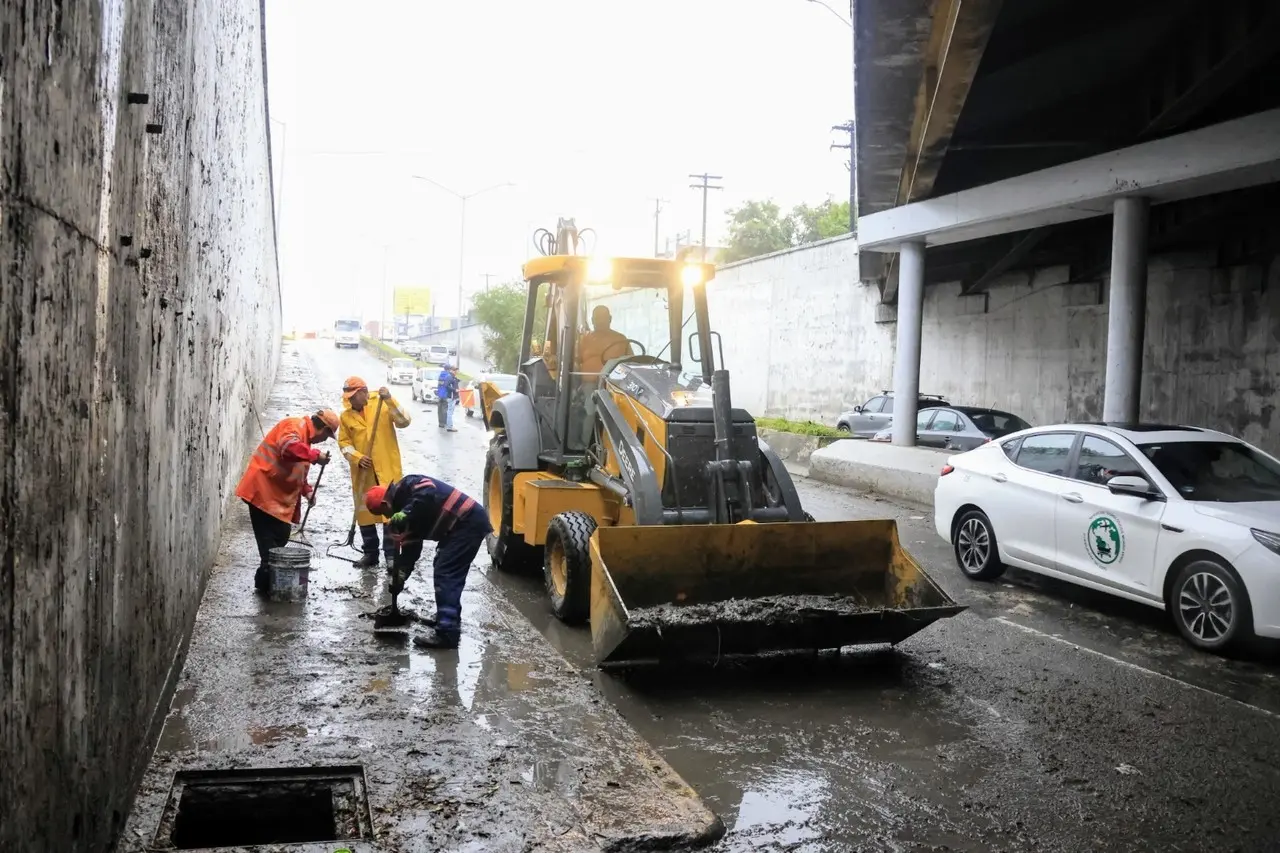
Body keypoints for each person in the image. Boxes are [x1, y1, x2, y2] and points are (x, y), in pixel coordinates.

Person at [365, 477, 492, 649]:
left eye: (383, 512)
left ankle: (447, 633)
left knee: (446, 573)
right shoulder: (403, 517)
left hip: (467, 520)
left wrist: (407, 512)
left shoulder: (408, 485)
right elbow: (411, 550)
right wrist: (401, 575)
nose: (386, 517)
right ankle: (446, 619)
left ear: (385, 502)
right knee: (442, 565)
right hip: (456, 528)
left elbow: (428, 491)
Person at [235, 409, 339, 592]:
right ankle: (267, 586)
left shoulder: (304, 440)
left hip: (273, 498)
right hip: (262, 492)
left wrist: (306, 491)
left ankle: (266, 580)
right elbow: (287, 448)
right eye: (326, 436)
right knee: (270, 550)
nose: (323, 441)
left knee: (281, 535)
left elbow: (297, 469)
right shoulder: (295, 426)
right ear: (322, 429)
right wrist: (315, 456)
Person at [337, 376, 411, 568]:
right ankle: (370, 554)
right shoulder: (346, 416)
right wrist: (358, 457)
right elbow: (344, 444)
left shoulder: (382, 404)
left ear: (364, 391)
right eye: (348, 397)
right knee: (365, 514)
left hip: (387, 469)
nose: (351, 400)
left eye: (354, 396)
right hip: (364, 473)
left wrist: (389, 399)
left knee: (390, 513)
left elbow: (404, 421)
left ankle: (391, 557)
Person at [577, 305, 633, 375]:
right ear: (592, 320)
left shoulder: (621, 339)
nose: (601, 321)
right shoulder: (585, 339)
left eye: (604, 317)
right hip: (587, 384)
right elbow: (576, 364)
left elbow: (632, 364)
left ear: (610, 319)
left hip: (614, 384)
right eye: (597, 318)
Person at [436, 364, 460, 432]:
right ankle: (447, 424)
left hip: (440, 394)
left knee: (440, 410)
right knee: (447, 410)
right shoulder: (449, 376)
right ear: (450, 369)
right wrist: (454, 390)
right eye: (455, 370)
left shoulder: (441, 375)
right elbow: (447, 385)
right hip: (447, 395)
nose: (456, 371)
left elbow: (439, 385)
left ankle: (441, 423)